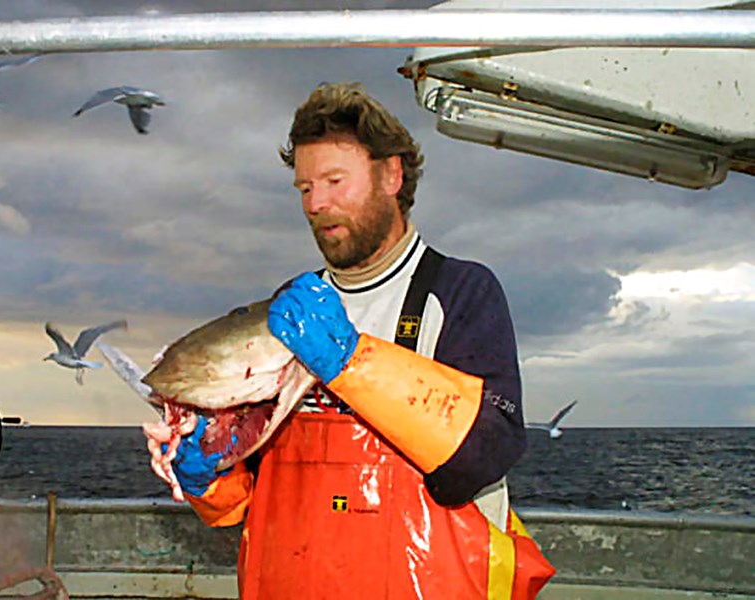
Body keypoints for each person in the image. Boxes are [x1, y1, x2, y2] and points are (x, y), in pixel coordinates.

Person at [144, 82, 555, 599]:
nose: (316, 204)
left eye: (335, 181)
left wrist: (352, 362)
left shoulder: (461, 293)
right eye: (304, 188)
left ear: (391, 175)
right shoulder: (285, 312)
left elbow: (480, 459)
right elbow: (247, 501)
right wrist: (206, 469)